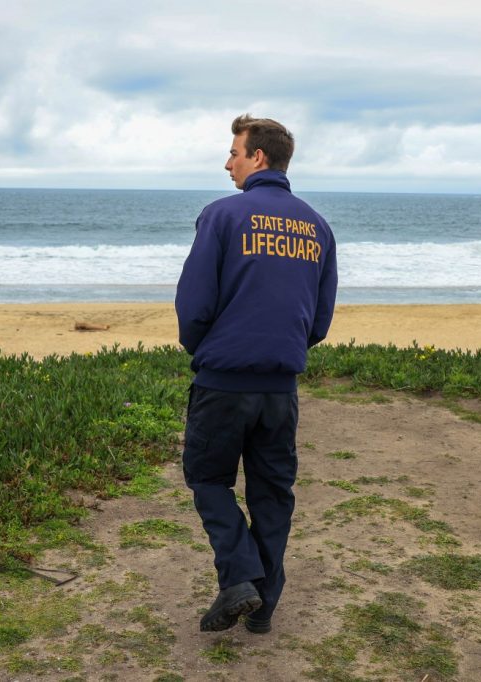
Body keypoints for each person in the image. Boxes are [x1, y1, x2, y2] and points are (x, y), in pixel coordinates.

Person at [175, 114, 338, 635]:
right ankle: (263, 604)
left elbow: (194, 304)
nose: (228, 162)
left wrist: (208, 350)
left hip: (224, 380)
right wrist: (281, 351)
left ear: (258, 157)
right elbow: (319, 319)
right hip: (280, 386)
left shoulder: (222, 216)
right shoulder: (317, 226)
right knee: (272, 495)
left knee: (207, 479)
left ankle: (241, 577)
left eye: (234, 152)